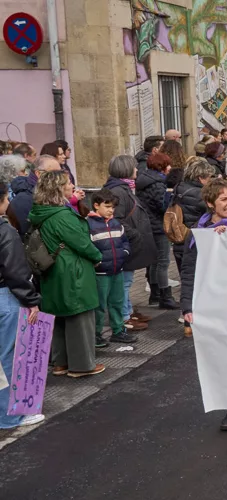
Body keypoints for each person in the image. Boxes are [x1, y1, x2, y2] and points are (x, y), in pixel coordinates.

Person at [180, 178, 227, 440]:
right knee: (222, 356)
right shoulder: (198, 232)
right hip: (213, 303)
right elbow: (189, 271)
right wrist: (186, 305)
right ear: (210, 203)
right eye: (223, 199)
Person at [29, 170, 106, 378]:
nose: (72, 185)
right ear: (58, 188)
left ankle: (60, 363)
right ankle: (82, 365)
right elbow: (82, 243)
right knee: (79, 316)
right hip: (72, 269)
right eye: (68, 183)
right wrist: (97, 255)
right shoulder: (62, 215)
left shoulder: (41, 211)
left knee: (59, 317)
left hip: (52, 269)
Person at [0, 181, 45, 428]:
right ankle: (9, 416)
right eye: (6, 198)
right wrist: (31, 301)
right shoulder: (5, 232)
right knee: (7, 356)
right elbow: (16, 272)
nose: (9, 203)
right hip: (5, 296)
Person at [102, 156, 155, 333]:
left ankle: (129, 311)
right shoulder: (119, 191)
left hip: (128, 242)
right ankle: (124, 317)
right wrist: (134, 234)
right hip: (124, 243)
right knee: (123, 283)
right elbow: (116, 218)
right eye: (134, 167)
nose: (137, 170)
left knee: (127, 281)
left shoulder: (124, 188)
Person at [172, 158, 216, 337]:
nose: (210, 180)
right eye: (208, 177)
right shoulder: (200, 195)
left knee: (186, 278)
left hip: (179, 239)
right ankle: (191, 315)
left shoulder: (179, 188)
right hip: (194, 241)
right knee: (197, 280)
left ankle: (186, 312)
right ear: (200, 178)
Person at [87, 189, 136, 346]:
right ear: (96, 205)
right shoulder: (89, 224)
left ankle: (118, 330)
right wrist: (98, 260)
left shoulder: (116, 223)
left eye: (112, 207)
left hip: (117, 270)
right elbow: (88, 246)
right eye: (107, 206)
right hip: (100, 272)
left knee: (117, 301)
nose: (110, 210)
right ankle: (96, 334)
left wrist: (124, 252)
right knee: (99, 305)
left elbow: (124, 241)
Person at [136, 152, 178, 309]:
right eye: (168, 164)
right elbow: (162, 205)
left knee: (154, 261)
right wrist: (171, 198)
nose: (170, 167)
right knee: (163, 261)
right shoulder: (158, 183)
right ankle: (165, 296)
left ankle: (155, 294)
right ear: (162, 166)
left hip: (147, 224)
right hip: (158, 225)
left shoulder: (144, 180)